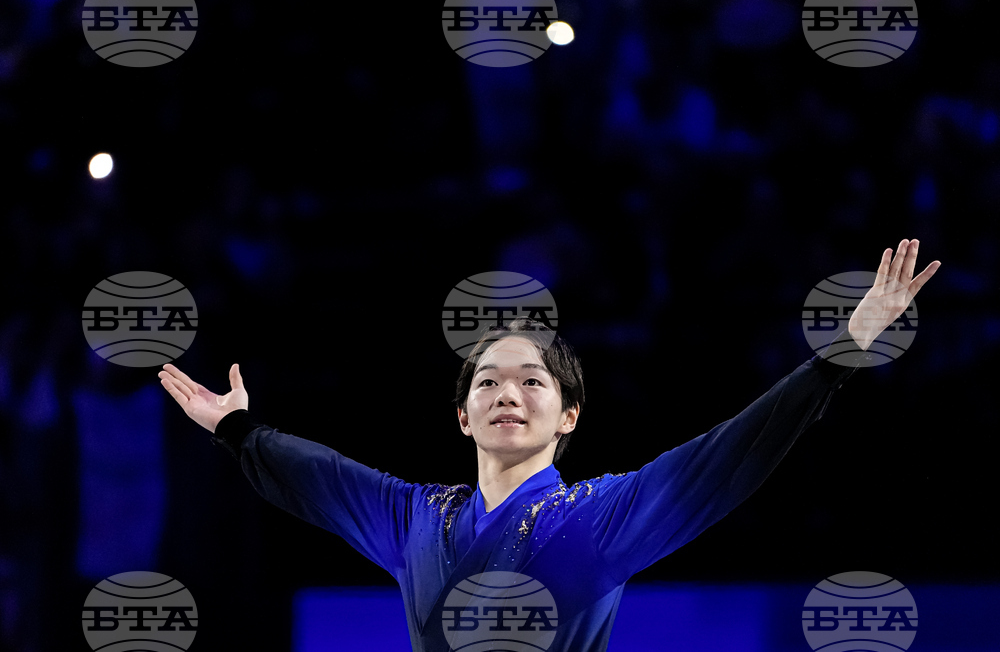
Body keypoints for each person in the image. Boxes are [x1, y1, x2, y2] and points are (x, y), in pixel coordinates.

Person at [159, 239, 939, 651]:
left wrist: (842, 354)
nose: (507, 393)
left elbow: (732, 450)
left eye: (532, 382)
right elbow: (316, 476)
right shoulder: (413, 521)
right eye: (488, 383)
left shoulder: (604, 517)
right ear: (462, 417)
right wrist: (235, 427)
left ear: (569, 416)